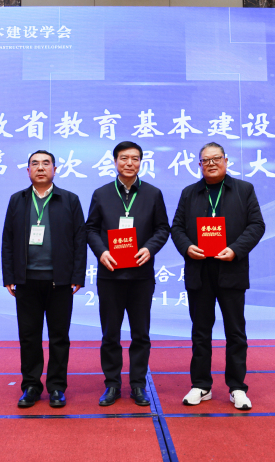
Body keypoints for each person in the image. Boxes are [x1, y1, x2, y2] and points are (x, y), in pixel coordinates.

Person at [170, 142, 265, 410]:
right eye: (205, 160)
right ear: (199, 165)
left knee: (235, 332)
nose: (211, 164)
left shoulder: (244, 190)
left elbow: (257, 225)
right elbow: (176, 227)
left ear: (226, 160)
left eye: (216, 158)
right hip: (199, 272)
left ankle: (237, 387)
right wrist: (187, 247)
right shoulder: (189, 193)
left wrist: (235, 250)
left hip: (231, 270)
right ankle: (201, 385)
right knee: (200, 332)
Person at [86, 141, 170, 407]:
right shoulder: (101, 194)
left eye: (135, 158)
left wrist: (149, 248)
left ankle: (138, 385)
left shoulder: (153, 193)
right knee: (110, 334)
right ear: (115, 162)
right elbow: (91, 229)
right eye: (124, 158)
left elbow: (163, 228)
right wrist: (101, 252)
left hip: (141, 276)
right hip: (110, 275)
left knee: (140, 334)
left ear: (141, 162)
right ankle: (112, 385)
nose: (129, 163)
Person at [1, 150, 87, 408]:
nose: (40, 168)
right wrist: (9, 275)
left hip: (60, 281)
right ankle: (30, 386)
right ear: (27, 170)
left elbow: (79, 240)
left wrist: (77, 275)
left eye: (46, 163)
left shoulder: (69, 199)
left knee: (59, 337)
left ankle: (57, 387)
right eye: (35, 164)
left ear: (55, 169)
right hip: (26, 280)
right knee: (29, 336)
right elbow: (8, 240)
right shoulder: (17, 200)